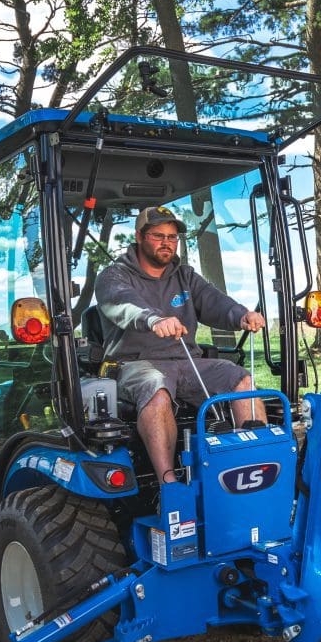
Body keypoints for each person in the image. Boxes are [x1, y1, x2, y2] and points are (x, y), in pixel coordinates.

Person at [94, 206, 267, 483]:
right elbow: (124, 303)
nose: (167, 243)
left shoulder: (184, 276)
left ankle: (256, 468)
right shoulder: (114, 276)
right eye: (158, 235)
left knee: (241, 379)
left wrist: (242, 315)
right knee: (156, 387)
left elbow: (215, 302)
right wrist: (153, 320)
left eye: (173, 237)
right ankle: (169, 486)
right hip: (136, 364)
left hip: (187, 361)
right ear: (139, 236)